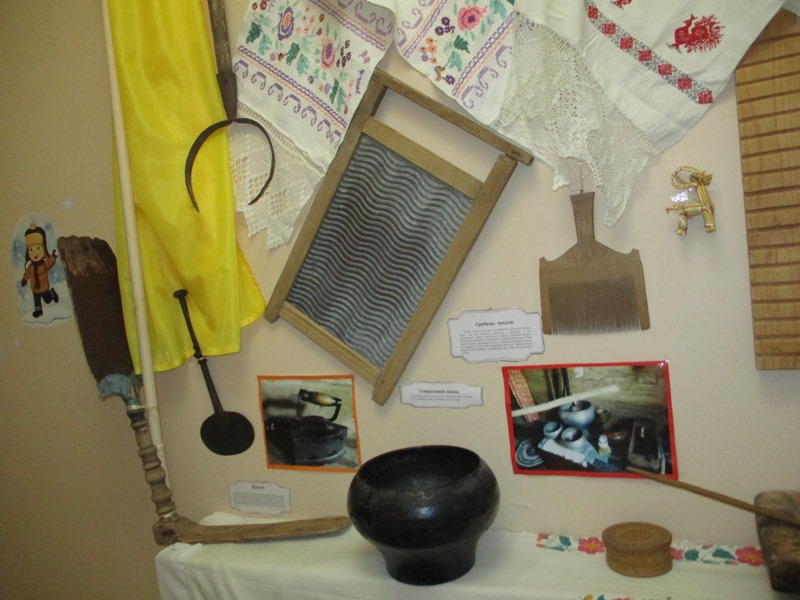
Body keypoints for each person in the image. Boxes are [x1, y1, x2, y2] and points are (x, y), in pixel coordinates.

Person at [20, 223, 59, 318]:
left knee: (48, 300)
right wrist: (24, 279)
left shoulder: (43, 265)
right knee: (36, 300)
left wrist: (54, 256)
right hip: (34, 288)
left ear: (43, 249)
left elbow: (50, 262)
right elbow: (27, 273)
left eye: (38, 248)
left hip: (44, 287)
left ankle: (52, 293)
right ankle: (38, 311)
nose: (35, 253)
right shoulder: (31, 267)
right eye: (31, 250)